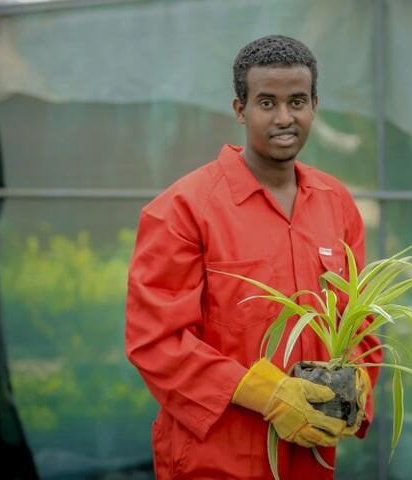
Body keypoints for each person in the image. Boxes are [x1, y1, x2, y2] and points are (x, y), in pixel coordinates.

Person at [125, 34, 381, 480]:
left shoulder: (335, 203)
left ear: (315, 105)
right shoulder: (185, 209)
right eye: (267, 103)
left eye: (298, 101)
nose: (285, 118)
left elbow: (359, 321)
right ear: (240, 109)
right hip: (216, 454)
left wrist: (359, 383)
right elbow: (156, 342)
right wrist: (269, 393)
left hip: (309, 453)